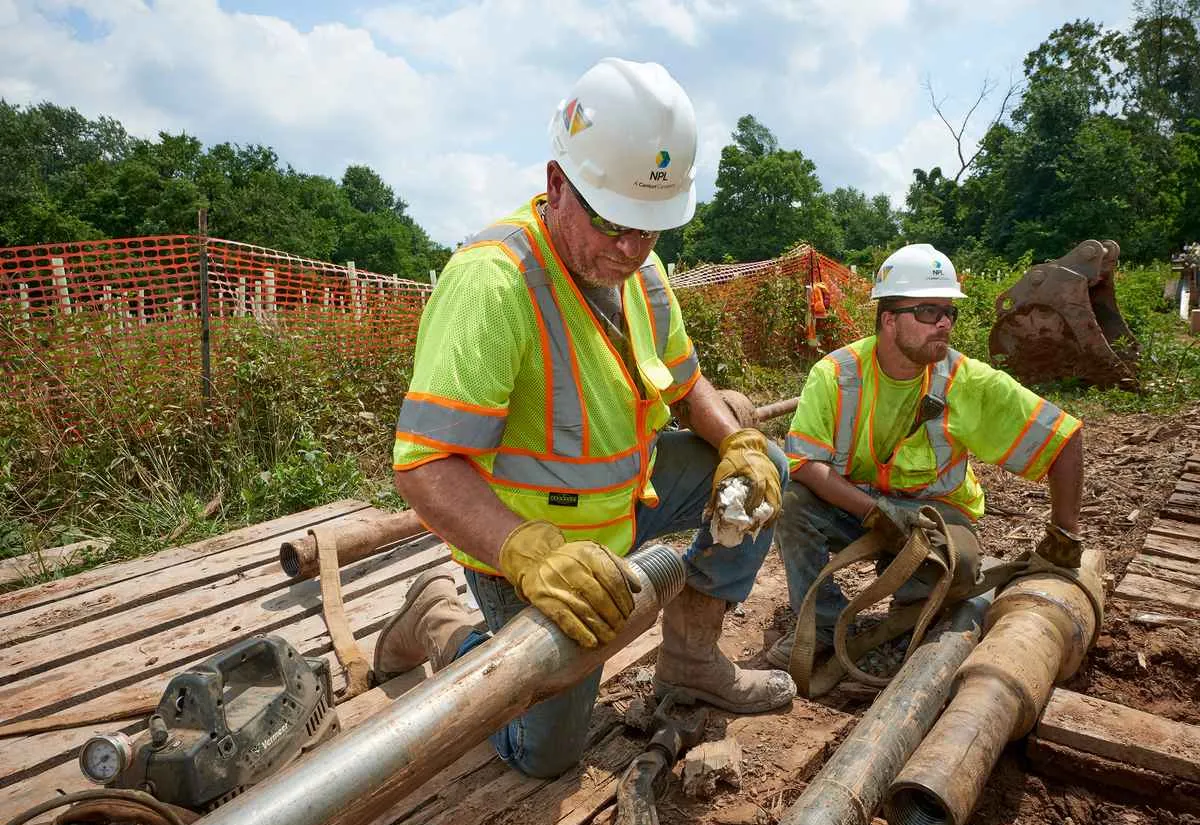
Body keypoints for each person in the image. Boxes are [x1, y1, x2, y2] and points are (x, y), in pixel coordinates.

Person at [378, 57, 796, 779]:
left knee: (766, 474)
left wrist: (743, 444)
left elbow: (689, 388)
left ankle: (690, 661)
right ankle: (439, 621)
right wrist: (530, 554)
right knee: (548, 757)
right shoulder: (492, 283)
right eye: (615, 224)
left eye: (652, 229)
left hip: (622, 509)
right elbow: (424, 465)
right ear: (555, 185)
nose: (632, 250)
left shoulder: (641, 272)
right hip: (524, 550)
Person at [769, 243, 1085, 667]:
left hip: (935, 517)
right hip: (857, 507)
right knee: (792, 504)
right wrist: (875, 512)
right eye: (928, 312)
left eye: (949, 312)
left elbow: (1064, 438)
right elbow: (804, 464)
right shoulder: (838, 374)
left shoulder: (966, 381)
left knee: (963, 563)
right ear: (888, 319)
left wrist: (1064, 534)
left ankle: (906, 621)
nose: (943, 324)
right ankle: (820, 625)